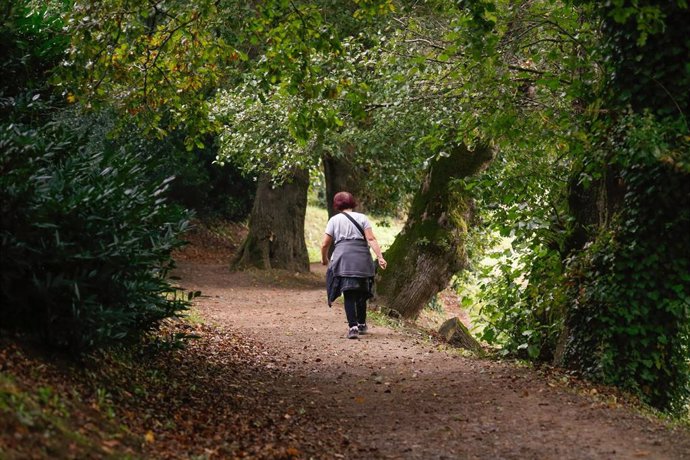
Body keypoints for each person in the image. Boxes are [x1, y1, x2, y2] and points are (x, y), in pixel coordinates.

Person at [321, 191, 387, 339]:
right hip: (362, 258)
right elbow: (371, 238)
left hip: (343, 259)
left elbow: (325, 243)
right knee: (362, 292)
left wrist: (325, 259)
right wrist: (380, 257)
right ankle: (362, 324)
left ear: (337, 204)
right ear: (352, 202)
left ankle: (353, 327)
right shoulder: (362, 218)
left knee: (349, 293)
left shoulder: (334, 220)